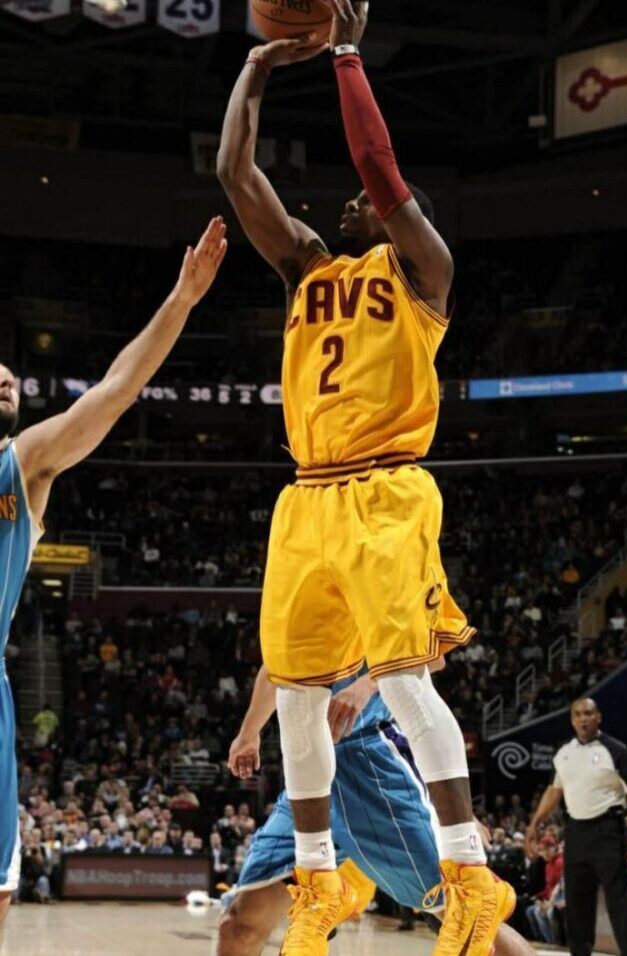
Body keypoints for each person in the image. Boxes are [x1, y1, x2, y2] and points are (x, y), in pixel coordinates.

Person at [217, 3, 513, 954]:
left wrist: (344, 54)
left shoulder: (424, 271)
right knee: (299, 691)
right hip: (305, 495)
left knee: (402, 678)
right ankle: (316, 883)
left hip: (386, 487)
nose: (355, 200)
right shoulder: (307, 267)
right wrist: (256, 72)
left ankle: (468, 875)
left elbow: (379, 169)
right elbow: (234, 174)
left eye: (378, 201)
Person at [0, 217, 228, 943]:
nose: (5, 378)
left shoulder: (21, 463)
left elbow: (117, 389)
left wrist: (181, 302)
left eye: (8, 374)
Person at [219, 663, 533, 956]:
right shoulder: (286, 604)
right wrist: (250, 731)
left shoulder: (380, 602)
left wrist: (366, 685)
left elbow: (430, 654)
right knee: (239, 922)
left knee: (464, 908)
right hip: (309, 768)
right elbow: (275, 661)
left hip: (371, 760)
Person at [526, 698, 627, 956]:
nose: (583, 719)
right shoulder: (564, 753)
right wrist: (534, 824)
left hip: (608, 831)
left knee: (620, 902)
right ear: (571, 719)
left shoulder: (616, 751)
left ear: (599, 717)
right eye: (578, 714)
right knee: (577, 905)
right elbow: (554, 790)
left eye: (588, 714)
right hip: (576, 833)